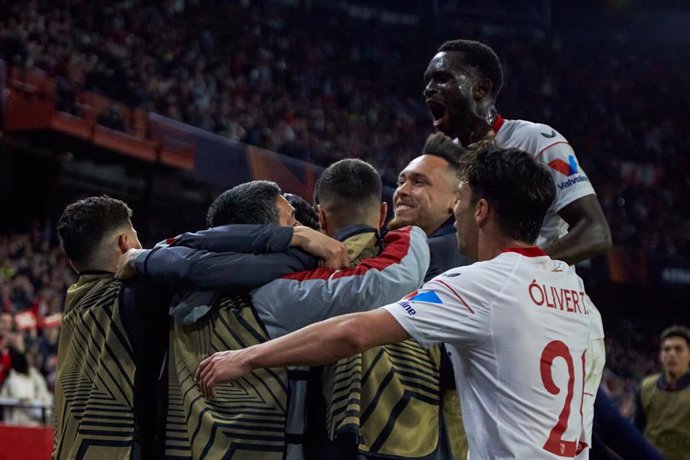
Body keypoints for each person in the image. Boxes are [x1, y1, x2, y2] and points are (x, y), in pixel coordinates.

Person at [197, 143, 604, 459]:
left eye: (459, 199)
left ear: (481, 210)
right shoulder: (579, 296)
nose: (455, 211)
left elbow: (355, 330)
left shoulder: (480, 283)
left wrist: (247, 357)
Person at [128, 173, 430, 459]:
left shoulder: (168, 289)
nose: (305, 230)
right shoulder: (278, 295)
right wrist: (411, 233)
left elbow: (181, 252)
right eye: (293, 222)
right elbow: (389, 281)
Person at [423, 39, 612, 455]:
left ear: (480, 87)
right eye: (427, 81)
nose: (429, 90)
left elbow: (596, 232)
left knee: (594, 434)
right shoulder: (447, 159)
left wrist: (522, 272)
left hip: (537, 313)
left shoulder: (538, 140)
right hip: (480, 309)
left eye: (442, 78)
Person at [54, 193, 344, 459]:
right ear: (124, 244)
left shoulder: (75, 300)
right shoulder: (136, 291)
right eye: (137, 238)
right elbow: (196, 257)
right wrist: (294, 241)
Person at [390, 132, 472, 281]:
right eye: (401, 182)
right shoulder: (464, 247)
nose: (402, 191)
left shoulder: (429, 254)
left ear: (456, 200)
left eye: (419, 182)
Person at [635, 325, 690, 460]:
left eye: (678, 349)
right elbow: (637, 431)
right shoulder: (646, 387)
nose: (671, 353)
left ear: (688, 355)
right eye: (667, 349)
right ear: (661, 355)